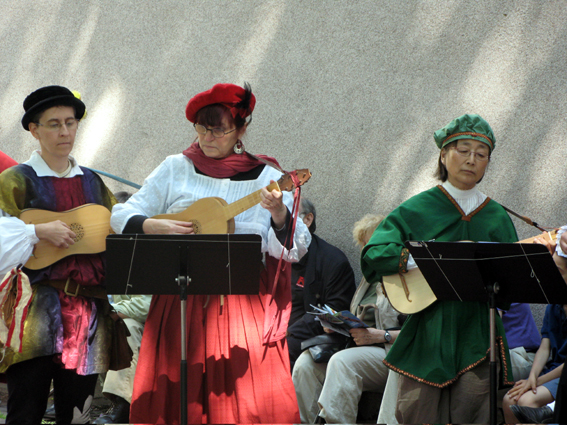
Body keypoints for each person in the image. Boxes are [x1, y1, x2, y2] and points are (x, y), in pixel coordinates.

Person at [110, 83, 311, 424]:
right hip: (179, 299)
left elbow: (295, 248)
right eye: (201, 128)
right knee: (176, 398)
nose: (207, 138)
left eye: (219, 129)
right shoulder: (176, 167)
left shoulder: (269, 177)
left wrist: (279, 212)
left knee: (241, 402)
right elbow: (120, 215)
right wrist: (152, 226)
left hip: (241, 305)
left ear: (242, 128)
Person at [361, 113, 516, 423]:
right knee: (418, 414)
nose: (472, 159)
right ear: (444, 155)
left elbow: (511, 287)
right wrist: (427, 257)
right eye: (463, 149)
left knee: (474, 416)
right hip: (427, 333)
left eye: (481, 154)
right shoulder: (417, 208)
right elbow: (375, 252)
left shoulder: (498, 217)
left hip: (477, 335)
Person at [0, 86, 116, 424]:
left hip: (87, 315)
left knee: (78, 415)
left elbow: (117, 235)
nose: (64, 131)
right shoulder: (15, 180)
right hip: (33, 315)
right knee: (25, 411)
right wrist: (36, 231)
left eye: (70, 122)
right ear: (34, 130)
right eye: (53, 124)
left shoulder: (94, 183)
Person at [292, 213, 400, 424]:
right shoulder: (369, 279)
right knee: (305, 365)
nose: (368, 252)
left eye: (373, 244)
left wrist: (379, 336)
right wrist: (335, 325)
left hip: (391, 353)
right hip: (355, 346)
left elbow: (419, 332)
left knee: (343, 363)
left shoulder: (406, 280)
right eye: (364, 246)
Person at [93, 191, 151, 424]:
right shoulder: (100, 251)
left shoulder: (149, 254)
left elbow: (151, 301)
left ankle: (122, 406)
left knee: (124, 327)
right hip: (111, 316)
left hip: (147, 324)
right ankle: (81, 399)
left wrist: (116, 313)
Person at [286, 197, 356, 369]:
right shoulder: (273, 255)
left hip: (304, 338)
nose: (278, 222)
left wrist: (287, 334)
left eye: (285, 214)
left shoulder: (333, 261)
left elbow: (334, 311)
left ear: (308, 220)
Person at [502, 304, 567, 423]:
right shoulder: (552, 307)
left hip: (564, 376)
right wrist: (533, 376)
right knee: (509, 400)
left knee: (527, 401)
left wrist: (538, 381)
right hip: (554, 369)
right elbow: (544, 348)